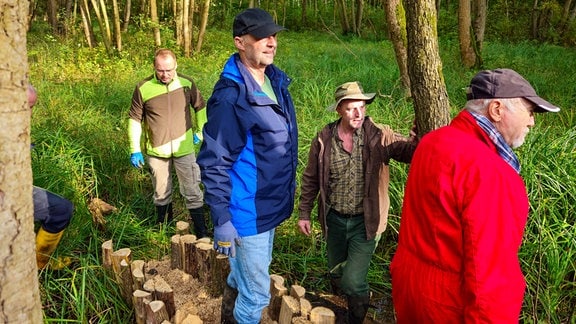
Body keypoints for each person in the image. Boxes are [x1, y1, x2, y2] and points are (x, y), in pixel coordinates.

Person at [390, 68, 560, 322]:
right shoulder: (491, 172)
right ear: (497, 110)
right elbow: (492, 278)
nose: (532, 122)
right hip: (449, 307)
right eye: (530, 111)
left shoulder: (432, 142)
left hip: (412, 294)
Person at [196, 8, 298, 324]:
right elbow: (214, 161)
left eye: (273, 35)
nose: (271, 42)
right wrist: (222, 219)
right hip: (246, 213)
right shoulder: (231, 96)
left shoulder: (274, 80)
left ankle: (227, 315)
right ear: (240, 42)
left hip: (267, 206)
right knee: (256, 295)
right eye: (261, 36)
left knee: (241, 278)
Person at [297, 81, 417, 323]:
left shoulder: (380, 135)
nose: (358, 113)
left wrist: (418, 136)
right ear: (340, 109)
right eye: (351, 108)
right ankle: (343, 305)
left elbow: (409, 152)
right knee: (337, 274)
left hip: (367, 224)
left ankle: (355, 317)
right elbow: (310, 177)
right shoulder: (324, 139)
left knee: (352, 280)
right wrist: (304, 213)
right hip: (335, 221)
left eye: (361, 107)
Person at [128, 48, 208, 238]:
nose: (165, 74)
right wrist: (135, 149)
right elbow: (134, 119)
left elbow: (200, 108)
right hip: (157, 150)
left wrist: (201, 132)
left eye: (169, 70)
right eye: (161, 70)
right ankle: (163, 231)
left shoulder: (187, 84)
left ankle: (202, 232)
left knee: (192, 190)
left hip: (184, 148)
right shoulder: (143, 87)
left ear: (176, 66)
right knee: (161, 191)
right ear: (154, 67)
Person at [29, 84, 74, 270]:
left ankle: (39, 262)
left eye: (32, 107)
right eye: (26, 107)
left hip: (18, 191)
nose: (29, 114)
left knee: (61, 209)